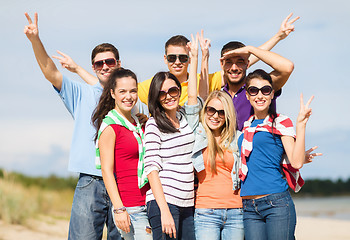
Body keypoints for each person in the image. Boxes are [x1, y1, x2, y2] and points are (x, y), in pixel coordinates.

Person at [24, 12, 122, 240]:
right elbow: (51, 71)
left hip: (123, 181)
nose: (105, 66)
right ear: (94, 67)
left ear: (119, 63)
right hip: (91, 181)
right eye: (99, 63)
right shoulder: (81, 94)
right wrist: (35, 40)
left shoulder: (129, 98)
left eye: (110, 61)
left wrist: (79, 69)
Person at [138, 13, 300, 106]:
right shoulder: (150, 86)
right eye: (172, 58)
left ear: (189, 58)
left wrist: (278, 37)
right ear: (165, 59)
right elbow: (122, 95)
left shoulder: (204, 80)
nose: (177, 62)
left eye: (183, 57)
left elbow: (242, 63)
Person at [238, 69, 314, 239]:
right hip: (249, 206)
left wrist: (301, 124)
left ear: (272, 94)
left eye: (265, 90)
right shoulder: (245, 126)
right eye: (253, 90)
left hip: (276, 202)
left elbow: (296, 162)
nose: (260, 95)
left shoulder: (280, 122)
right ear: (248, 96)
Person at [143, 33, 200, 240]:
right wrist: (164, 209)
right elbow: (151, 169)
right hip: (164, 203)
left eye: (173, 90)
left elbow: (193, 95)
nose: (169, 96)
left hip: (187, 202)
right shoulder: (153, 124)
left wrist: (194, 59)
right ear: (156, 98)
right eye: (162, 93)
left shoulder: (185, 118)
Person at [92, 68, 152, 240]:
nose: (129, 96)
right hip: (131, 207)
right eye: (122, 91)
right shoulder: (110, 127)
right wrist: (119, 209)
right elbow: (106, 172)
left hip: (148, 203)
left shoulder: (137, 124)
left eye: (133, 91)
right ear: (112, 93)